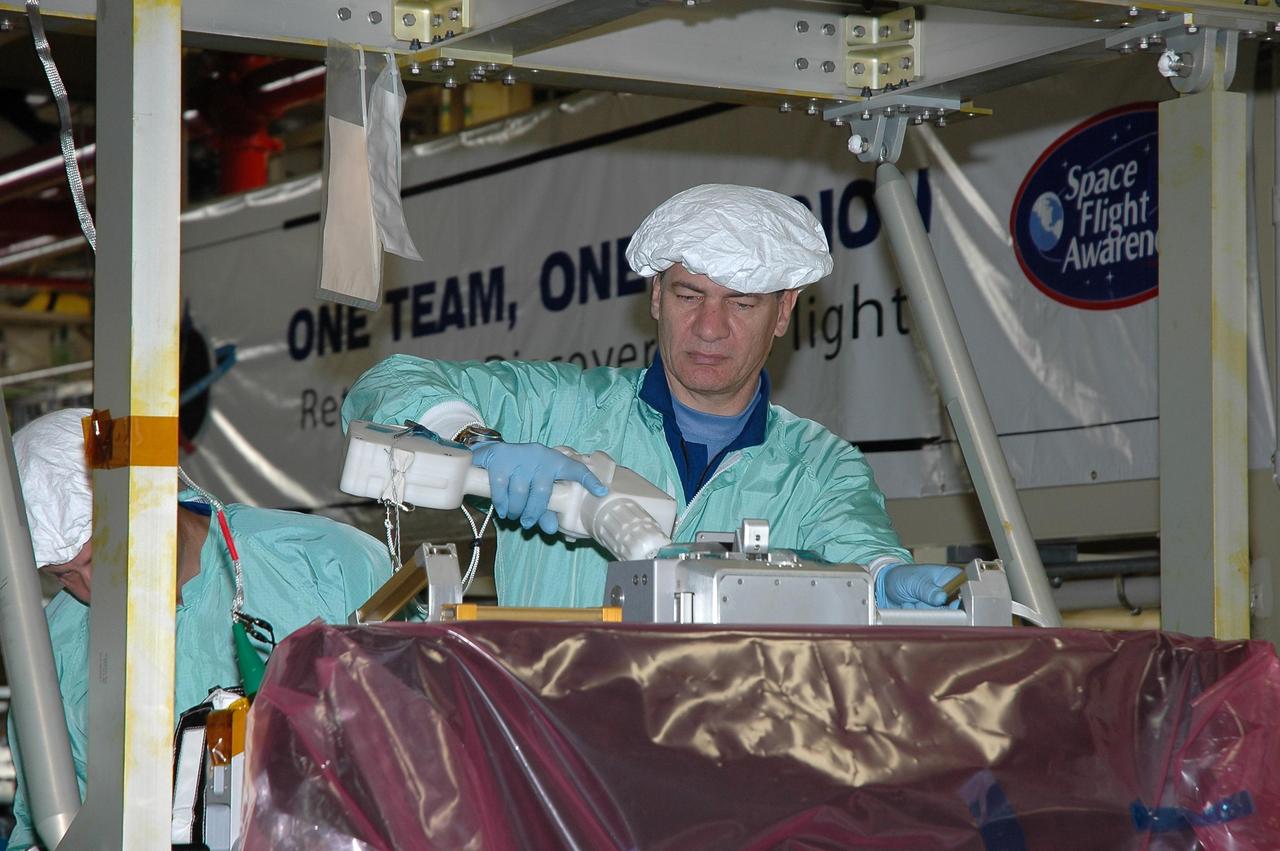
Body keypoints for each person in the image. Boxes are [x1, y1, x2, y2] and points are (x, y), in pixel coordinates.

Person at [342, 184, 961, 609]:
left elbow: (861, 552)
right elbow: (382, 386)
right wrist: (478, 443)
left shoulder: (819, 469)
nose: (711, 328)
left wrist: (886, 581)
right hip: (544, 757)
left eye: (742, 303)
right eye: (690, 296)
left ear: (783, 312)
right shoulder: (562, 408)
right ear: (656, 297)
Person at [5, 407, 392, 851]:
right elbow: (43, 823)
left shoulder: (323, 564)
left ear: (147, 501)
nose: (94, 589)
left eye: (98, 558)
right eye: (65, 575)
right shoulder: (51, 651)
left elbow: (414, 747)